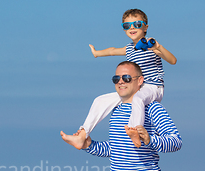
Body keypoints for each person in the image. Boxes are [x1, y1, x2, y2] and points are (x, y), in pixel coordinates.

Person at [62, 8, 177, 148]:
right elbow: (112, 51)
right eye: (127, 26)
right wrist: (97, 53)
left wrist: (158, 47)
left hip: (152, 87)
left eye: (137, 24)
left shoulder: (150, 46)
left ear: (146, 26)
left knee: (138, 99)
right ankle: (82, 135)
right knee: (100, 100)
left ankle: (135, 130)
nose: (132, 28)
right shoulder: (129, 48)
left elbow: (172, 60)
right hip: (135, 88)